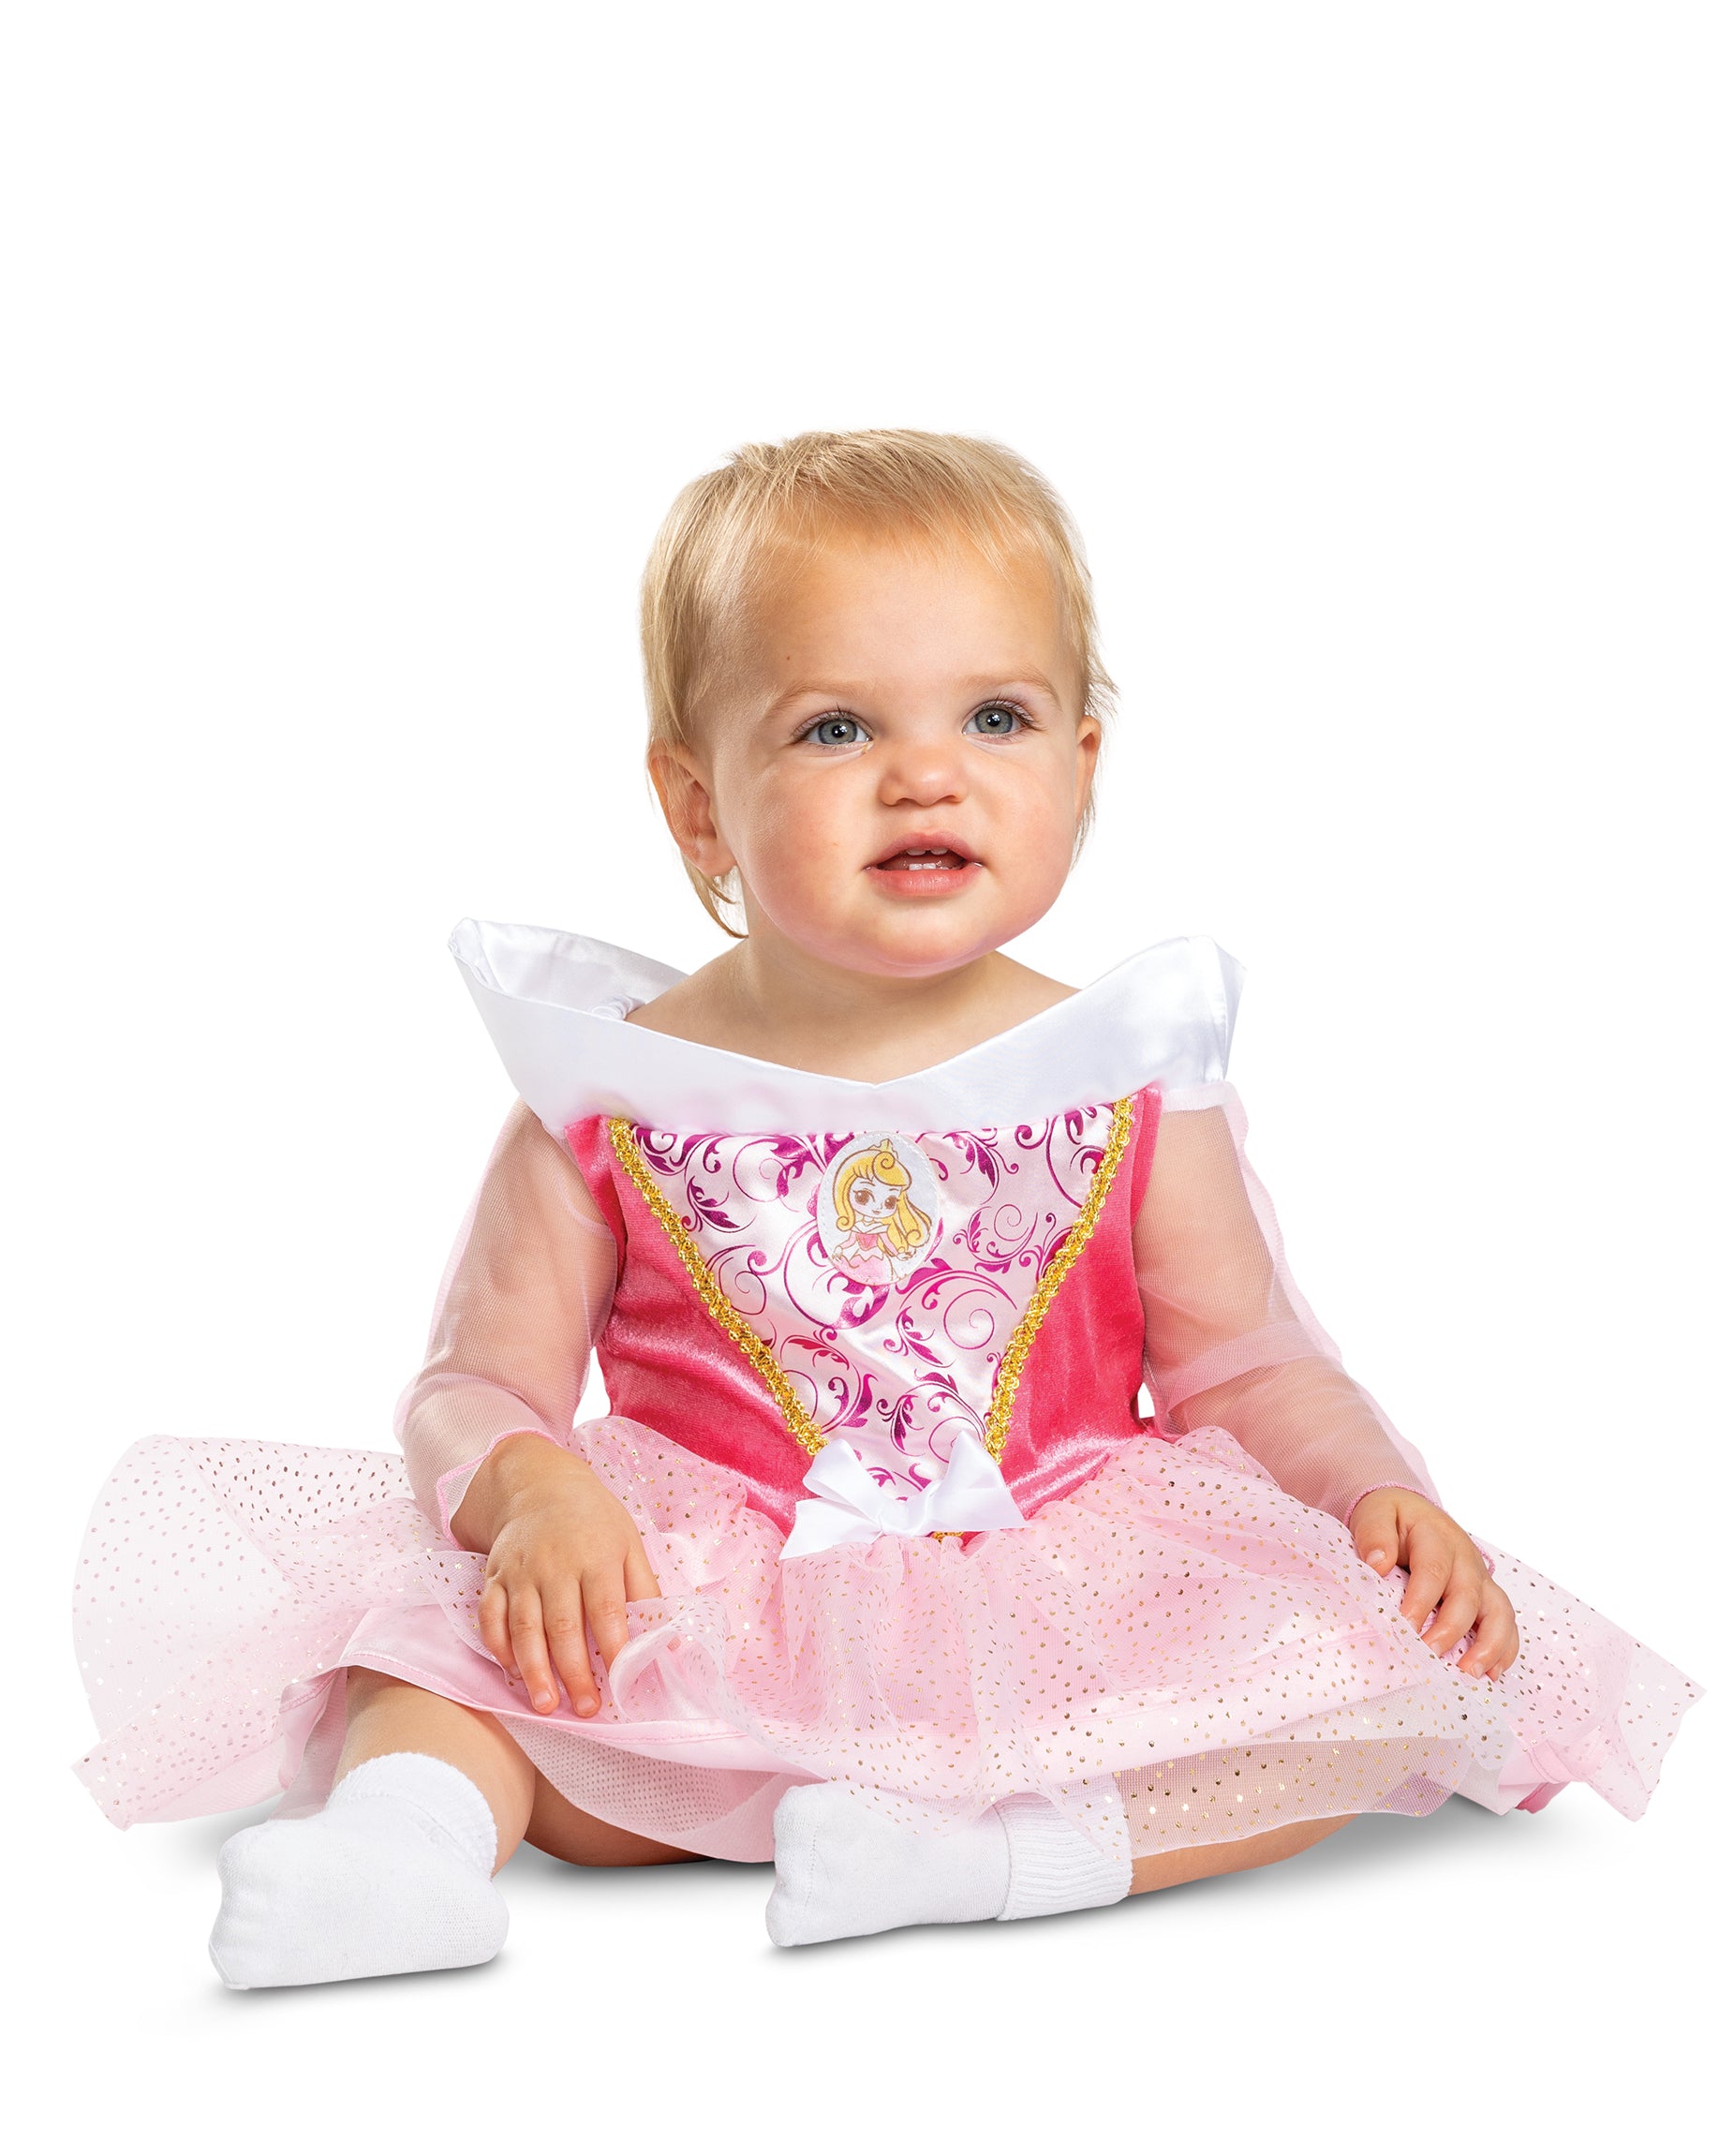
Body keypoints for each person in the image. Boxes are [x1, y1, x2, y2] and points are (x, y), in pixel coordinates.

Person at [72, 429, 1702, 1988]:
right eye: (836, 729)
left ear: (1080, 761)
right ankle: (403, 1851)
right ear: (697, 802)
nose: (927, 774)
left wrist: (1371, 1497)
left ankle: (1003, 1855)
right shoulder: (612, 1090)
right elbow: (471, 1383)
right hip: (707, 1586)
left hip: (1059, 1591)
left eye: (995, 716)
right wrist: (534, 1493)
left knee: (1372, 1692)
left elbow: (1247, 1364)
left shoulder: (1125, 1074)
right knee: (422, 1649)